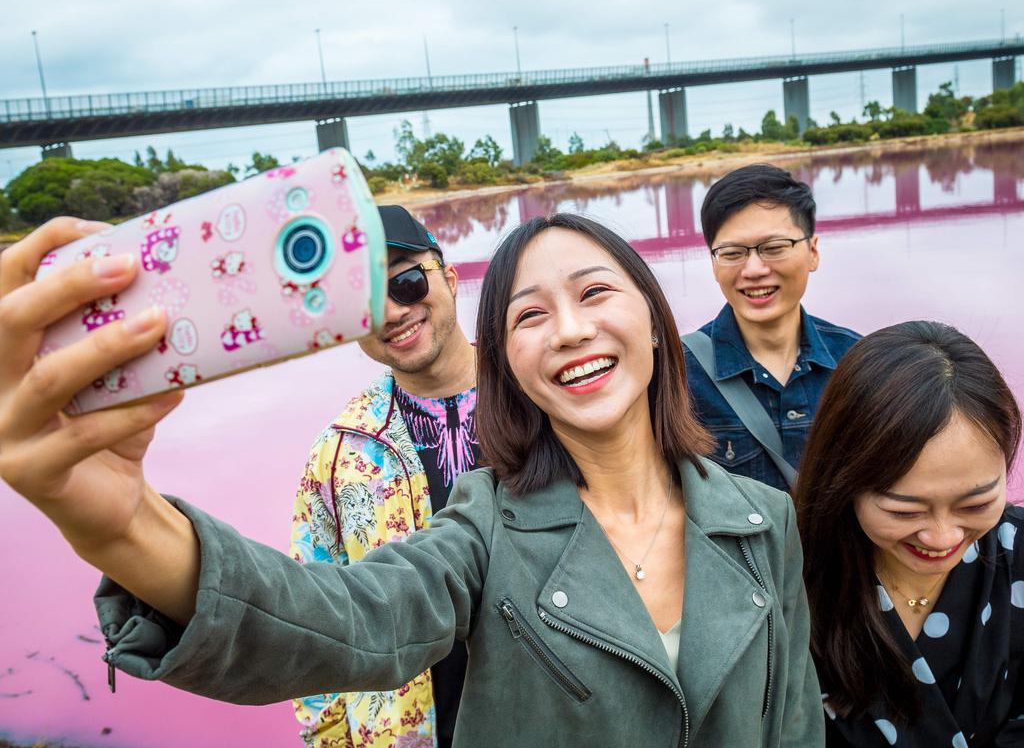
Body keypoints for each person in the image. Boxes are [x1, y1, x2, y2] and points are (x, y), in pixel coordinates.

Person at [0, 213, 824, 747]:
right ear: (513, 366)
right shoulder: (482, 522)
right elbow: (342, 617)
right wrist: (123, 525)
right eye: (532, 315)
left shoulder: (763, 520)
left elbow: (793, 726)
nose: (572, 330)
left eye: (596, 293)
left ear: (652, 317)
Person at [289, 205, 479, 748]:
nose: (392, 313)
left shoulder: (543, 399)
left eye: (407, 282)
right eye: (362, 305)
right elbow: (314, 617)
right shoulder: (336, 451)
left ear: (448, 276)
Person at [794, 321, 1023, 747]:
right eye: (905, 510)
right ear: (842, 481)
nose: (941, 537)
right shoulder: (783, 578)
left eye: (975, 504)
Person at [683, 164, 859, 491]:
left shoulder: (857, 363)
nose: (754, 270)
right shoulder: (676, 375)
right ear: (713, 262)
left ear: (813, 252)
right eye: (733, 253)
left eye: (774, 248)